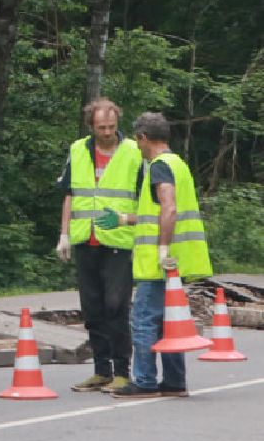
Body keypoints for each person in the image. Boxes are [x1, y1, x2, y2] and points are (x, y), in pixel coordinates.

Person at [110, 111, 213, 398]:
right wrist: (125, 219)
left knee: (144, 319)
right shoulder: (178, 163)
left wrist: (162, 248)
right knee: (171, 322)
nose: (137, 145)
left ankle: (143, 381)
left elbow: (168, 208)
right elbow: (154, 214)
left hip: (159, 263)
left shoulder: (158, 166)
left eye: (137, 140)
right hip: (177, 262)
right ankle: (174, 381)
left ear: (143, 138)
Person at [55, 98, 139, 392]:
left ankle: (122, 371)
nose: (107, 132)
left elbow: (149, 203)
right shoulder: (78, 150)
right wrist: (63, 233)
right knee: (92, 310)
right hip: (85, 240)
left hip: (118, 243)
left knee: (116, 306)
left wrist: (129, 220)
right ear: (91, 126)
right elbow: (69, 193)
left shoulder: (133, 152)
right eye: (101, 127)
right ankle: (101, 370)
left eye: (112, 127)